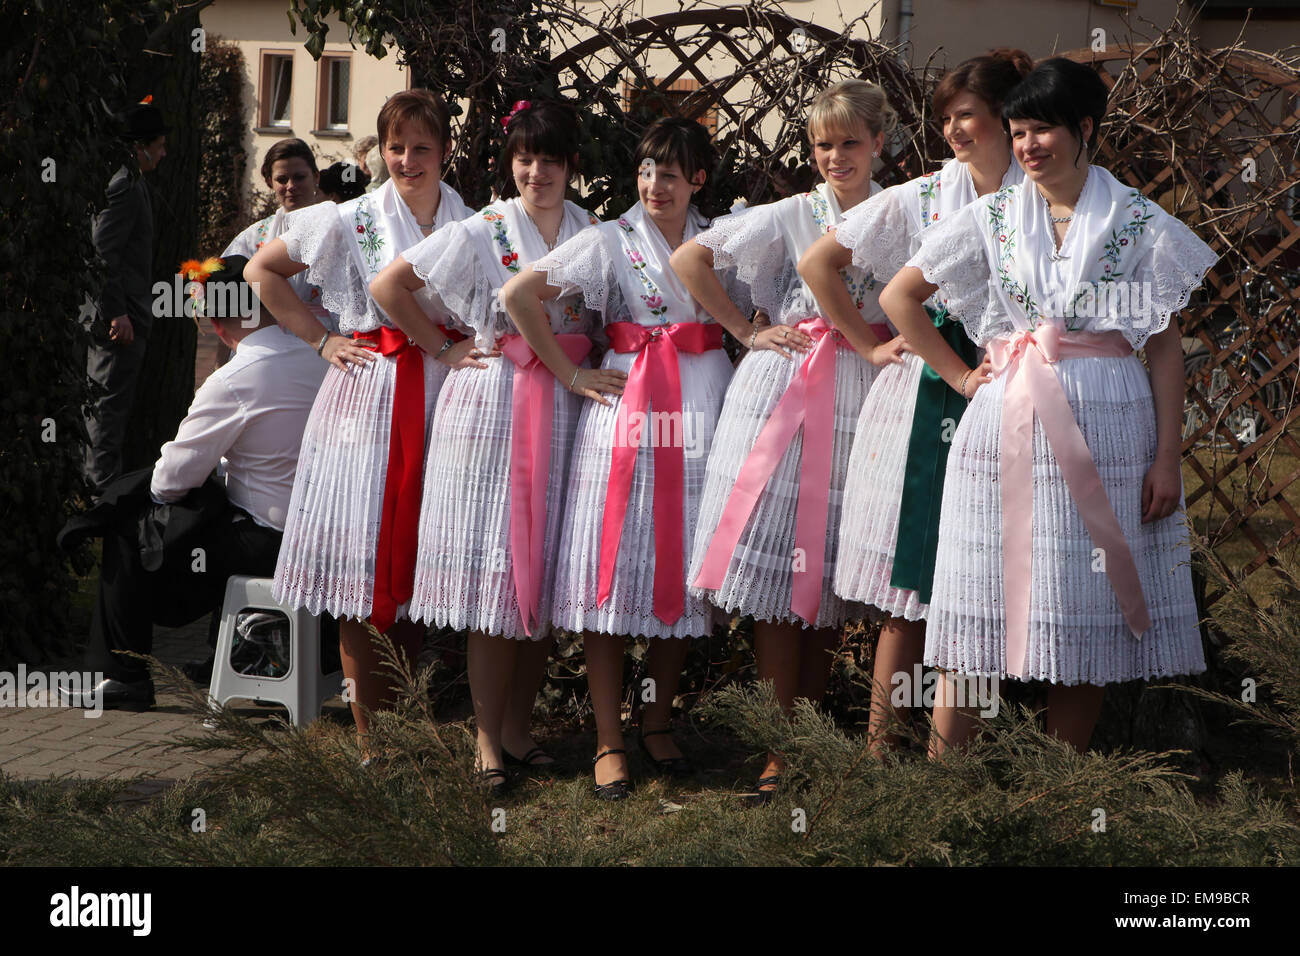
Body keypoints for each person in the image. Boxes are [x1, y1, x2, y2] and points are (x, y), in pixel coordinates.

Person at [879, 58, 1216, 755]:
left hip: (1113, 432)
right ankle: (948, 791)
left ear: (1084, 129)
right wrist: (962, 376)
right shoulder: (993, 215)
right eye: (1019, 131)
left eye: (1043, 131)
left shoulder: (1140, 223)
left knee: (1086, 615)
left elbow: (1162, 349)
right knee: (975, 611)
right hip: (1004, 428)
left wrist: (1165, 460)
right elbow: (898, 299)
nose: (1028, 146)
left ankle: (1060, 798)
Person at [672, 80, 907, 803]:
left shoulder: (903, 213)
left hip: (866, 392)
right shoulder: (787, 214)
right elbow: (692, 261)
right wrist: (744, 331)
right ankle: (778, 750)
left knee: (835, 570)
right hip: (787, 391)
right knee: (781, 579)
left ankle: (813, 737)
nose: (836, 156)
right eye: (822, 144)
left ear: (879, 144)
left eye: (850, 142)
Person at [797, 50, 1032, 756]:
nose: (955, 130)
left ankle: (957, 752)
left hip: (1013, 390)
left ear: (1007, 118)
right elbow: (818, 263)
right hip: (933, 389)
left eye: (968, 115)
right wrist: (872, 348)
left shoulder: (1042, 192)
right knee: (918, 578)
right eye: (945, 118)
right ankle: (879, 747)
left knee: (985, 578)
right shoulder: (927, 195)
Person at [502, 117, 739, 800]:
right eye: (645, 170)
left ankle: (657, 721)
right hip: (625, 411)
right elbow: (519, 297)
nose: (653, 184)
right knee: (609, 580)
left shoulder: (720, 241)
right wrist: (572, 376)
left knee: (685, 572)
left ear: (698, 178)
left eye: (669, 172)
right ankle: (609, 738)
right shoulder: (606, 240)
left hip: (701, 408)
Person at [371, 100, 598, 792]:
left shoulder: (593, 230)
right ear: (511, 165)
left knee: (545, 575)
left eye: (550, 160)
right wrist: (441, 346)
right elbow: (389, 287)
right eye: (524, 159)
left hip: (562, 409)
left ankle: (522, 730)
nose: (536, 172)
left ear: (571, 167)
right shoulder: (485, 227)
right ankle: (484, 743)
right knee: (496, 579)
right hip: (494, 406)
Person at [244, 89, 473, 748]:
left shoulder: (471, 221)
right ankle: (373, 739)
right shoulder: (352, 219)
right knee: (364, 566)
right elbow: (263, 270)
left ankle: (412, 724)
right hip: (368, 401)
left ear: (446, 152)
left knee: (423, 558)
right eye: (396, 146)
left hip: (442, 397)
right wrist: (320, 340)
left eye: (422, 147)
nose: (407, 160)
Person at [62, 257, 327, 710]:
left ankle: (123, 678)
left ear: (216, 321)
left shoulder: (236, 379)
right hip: (328, 532)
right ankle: (255, 656)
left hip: (272, 541)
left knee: (128, 527)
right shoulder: (317, 356)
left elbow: (170, 481)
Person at [82, 99, 168, 497]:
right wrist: (117, 312)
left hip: (126, 317)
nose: (163, 153)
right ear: (140, 145)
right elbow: (103, 254)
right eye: (160, 144)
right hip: (119, 323)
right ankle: (98, 497)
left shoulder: (129, 182)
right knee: (106, 410)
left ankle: (100, 491)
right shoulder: (125, 185)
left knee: (111, 409)